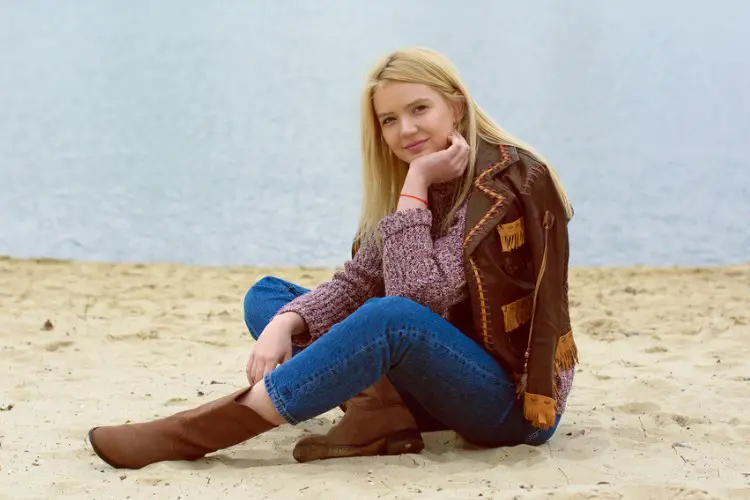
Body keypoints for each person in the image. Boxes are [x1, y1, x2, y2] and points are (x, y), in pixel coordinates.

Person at [87, 47, 579, 470]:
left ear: (455, 106)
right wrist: (285, 322)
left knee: (391, 317)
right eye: (389, 119)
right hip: (430, 389)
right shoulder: (424, 176)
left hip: (506, 406)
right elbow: (356, 283)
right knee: (270, 298)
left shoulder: (504, 187)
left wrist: (416, 187)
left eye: (419, 109)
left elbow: (416, 299)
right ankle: (380, 414)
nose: (405, 130)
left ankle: (197, 432)